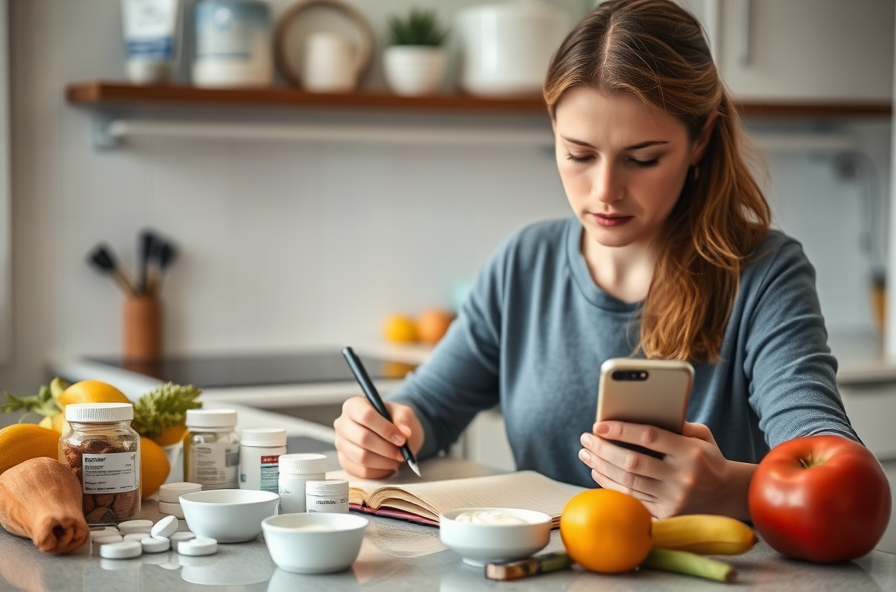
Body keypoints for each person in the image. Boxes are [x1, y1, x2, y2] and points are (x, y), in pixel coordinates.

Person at [333, 0, 859, 521]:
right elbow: (430, 405)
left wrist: (730, 488)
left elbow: (845, 482)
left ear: (700, 139)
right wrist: (385, 431)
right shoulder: (524, 263)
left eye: (643, 159)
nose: (605, 191)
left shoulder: (766, 273)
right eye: (579, 155)